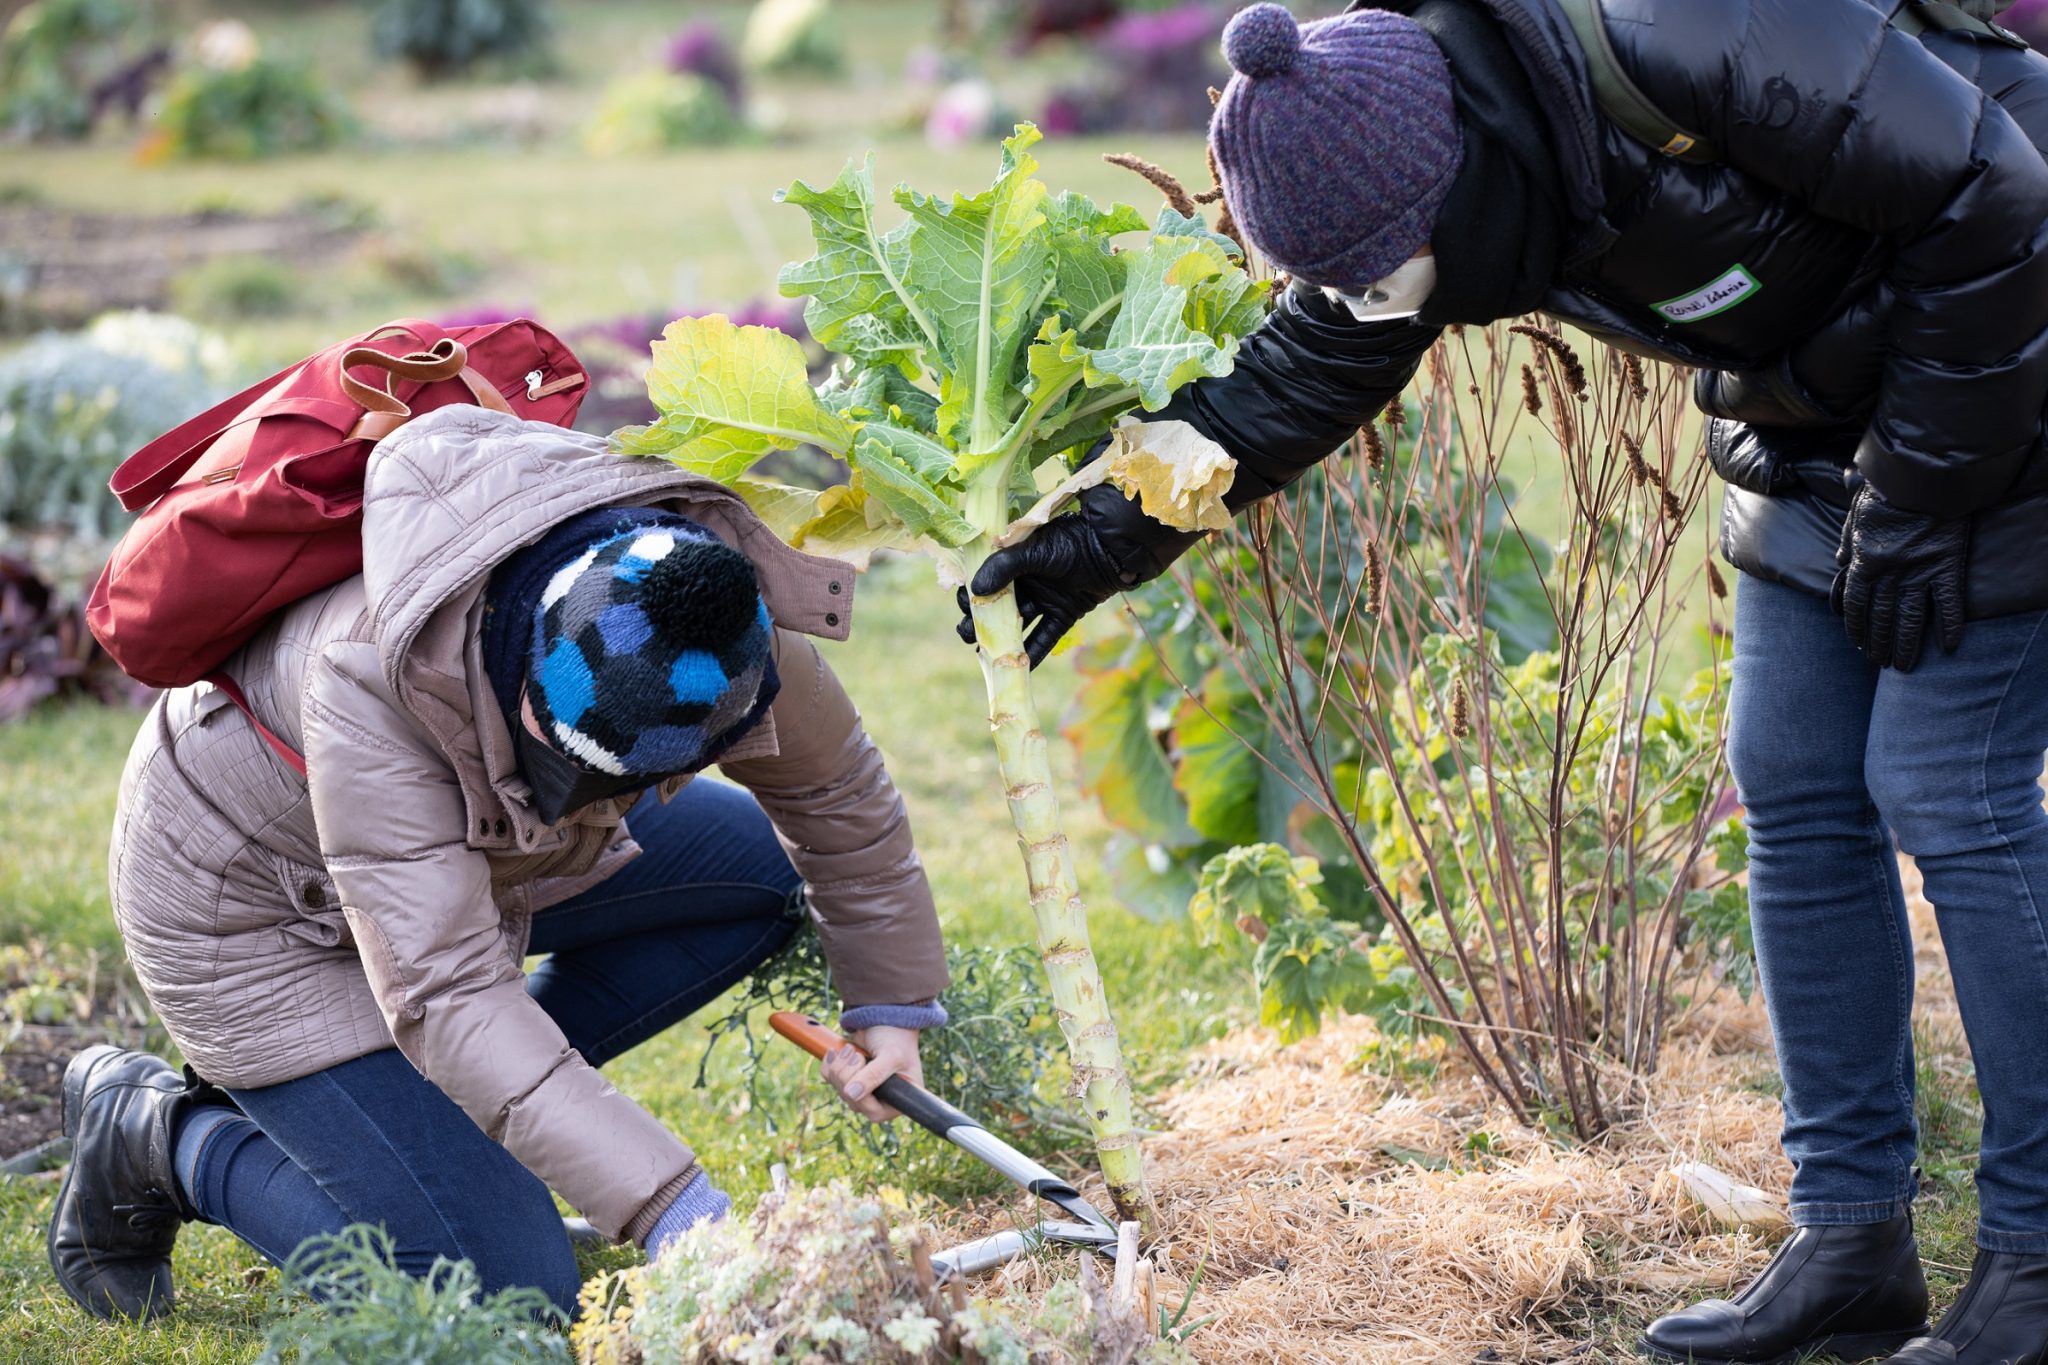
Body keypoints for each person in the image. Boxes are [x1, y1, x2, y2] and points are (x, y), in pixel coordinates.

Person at [959, 2, 2048, 1361]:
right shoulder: (1425, 170)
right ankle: (1852, 1240)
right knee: (1799, 780)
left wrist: (1925, 492)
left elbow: (1997, 187)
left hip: (2009, 354)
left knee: (1949, 789)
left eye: (1385, 269)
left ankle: (2037, 1257)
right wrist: (1104, 536)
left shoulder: (1679, 33)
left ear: (1457, 176)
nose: (1385, 302)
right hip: (1826, 418)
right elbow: (1306, 367)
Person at [49, 405, 948, 1322]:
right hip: (258, 913)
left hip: (480, 856)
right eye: (574, 772)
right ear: (524, 683)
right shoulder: (367, 682)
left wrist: (891, 1005)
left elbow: (838, 794)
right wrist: (674, 1204)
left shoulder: (709, 610)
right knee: (504, 1297)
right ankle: (163, 1136)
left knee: (756, 876)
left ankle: (447, 1129)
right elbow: (447, 993)